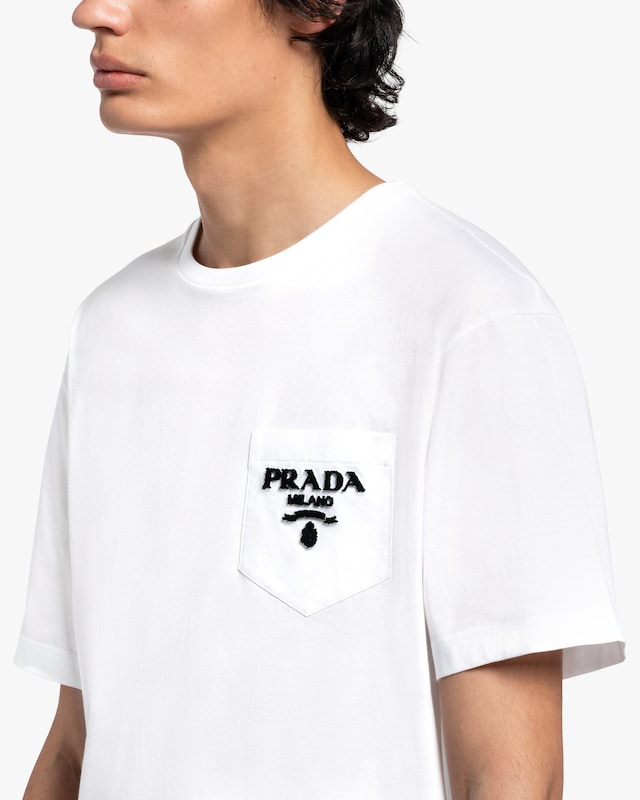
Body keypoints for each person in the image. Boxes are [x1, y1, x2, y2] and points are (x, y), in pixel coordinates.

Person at [14, 0, 625, 798]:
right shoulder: (109, 329)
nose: (91, 12)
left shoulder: (469, 315)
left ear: (319, 7)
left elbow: (515, 781)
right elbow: (75, 749)